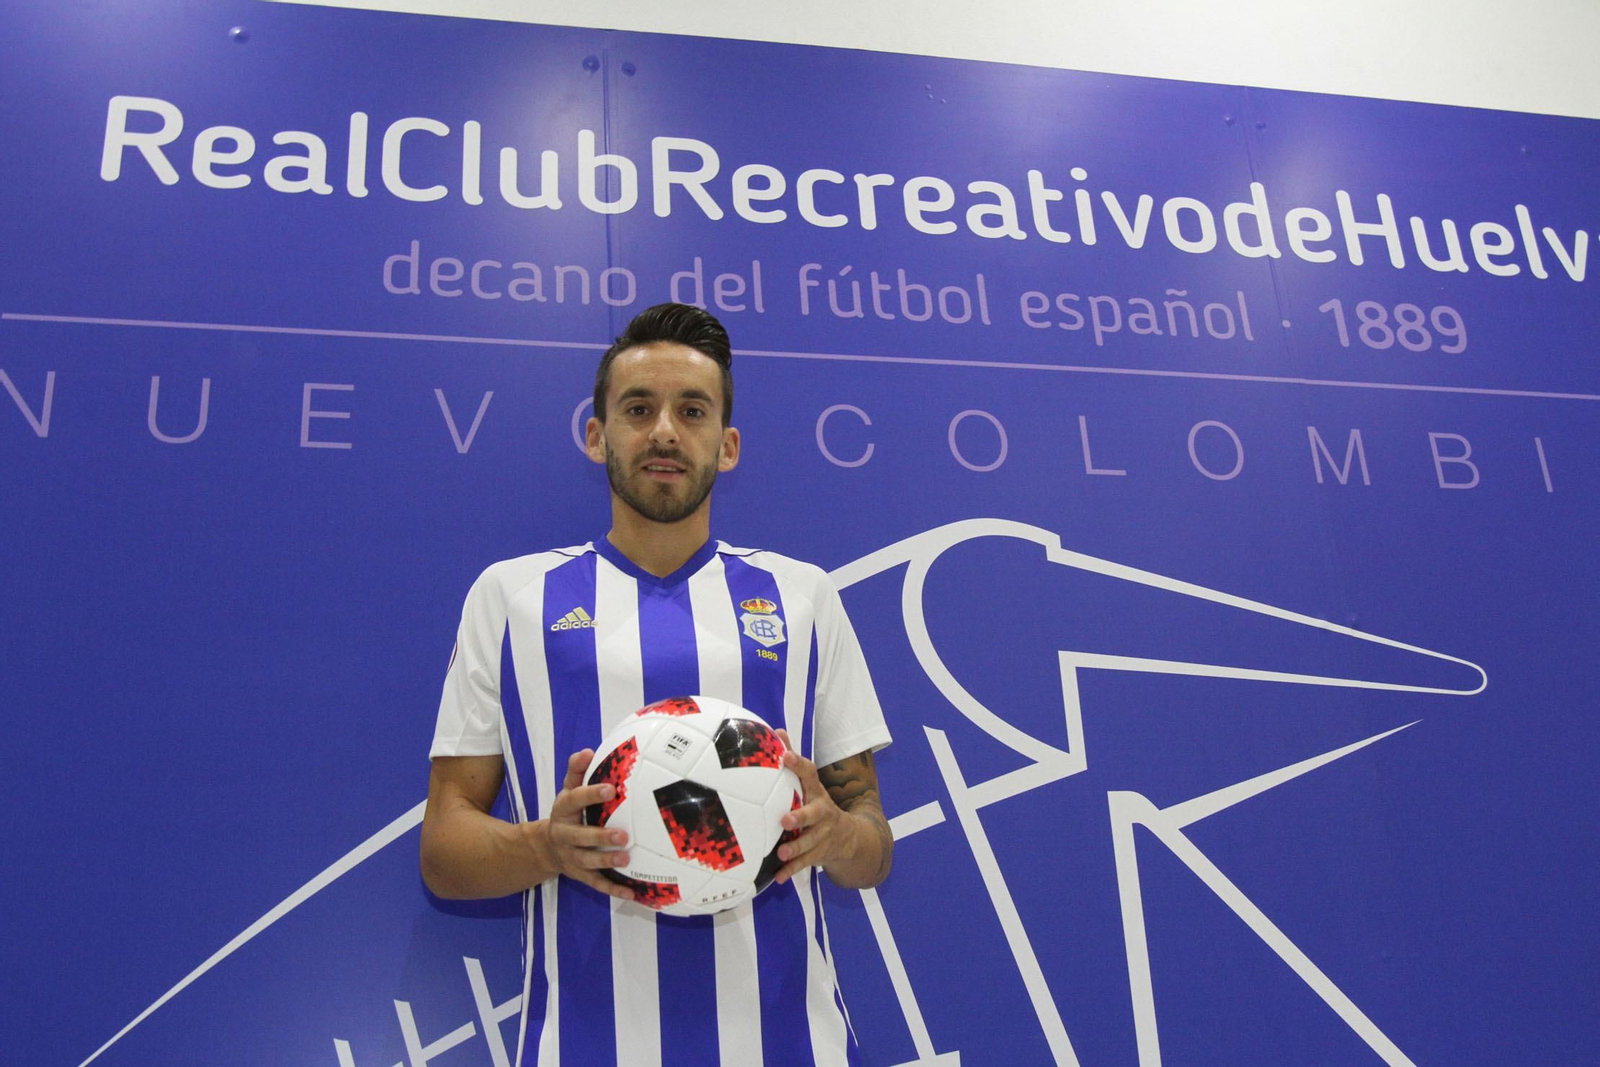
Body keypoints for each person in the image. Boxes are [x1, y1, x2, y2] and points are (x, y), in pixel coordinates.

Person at [421, 302, 893, 1067]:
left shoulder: (802, 595)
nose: (665, 431)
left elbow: (873, 844)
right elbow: (443, 850)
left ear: (728, 445)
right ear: (596, 435)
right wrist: (549, 846)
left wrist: (839, 834)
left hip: (791, 1048)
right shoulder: (510, 598)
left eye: (692, 410)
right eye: (638, 409)